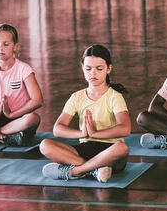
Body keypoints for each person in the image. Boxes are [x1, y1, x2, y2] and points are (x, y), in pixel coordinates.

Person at [40, 45, 130, 183]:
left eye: (99, 69)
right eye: (88, 68)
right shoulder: (77, 97)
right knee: (45, 145)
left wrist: (95, 133)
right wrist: (82, 134)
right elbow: (58, 128)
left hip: (110, 151)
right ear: (82, 67)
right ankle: (94, 170)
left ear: (109, 69)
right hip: (86, 147)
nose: (92, 73)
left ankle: (76, 171)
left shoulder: (114, 97)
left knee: (122, 148)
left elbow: (125, 128)